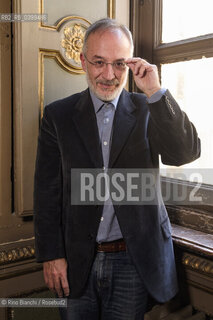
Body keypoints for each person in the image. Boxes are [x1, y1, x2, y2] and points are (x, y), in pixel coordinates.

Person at [34, 18, 200, 320]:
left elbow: (185, 153)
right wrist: (52, 255)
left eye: (119, 64)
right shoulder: (57, 116)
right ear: (83, 61)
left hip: (133, 262)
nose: (109, 75)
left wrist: (156, 91)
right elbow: (47, 193)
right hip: (74, 260)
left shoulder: (147, 108)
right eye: (99, 62)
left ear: (131, 65)